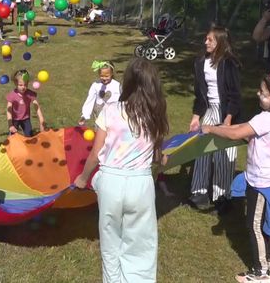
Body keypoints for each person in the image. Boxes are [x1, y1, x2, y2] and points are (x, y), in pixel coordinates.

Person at [74, 58, 169, 283]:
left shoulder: (111, 110)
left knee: (110, 241)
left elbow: (96, 153)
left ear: (127, 82)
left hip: (111, 184)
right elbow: (156, 155)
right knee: (141, 244)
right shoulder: (156, 114)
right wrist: (161, 158)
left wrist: (83, 177)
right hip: (140, 186)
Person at [202, 72, 270, 282]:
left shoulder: (265, 119)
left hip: (263, 183)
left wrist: (210, 129)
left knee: (254, 226)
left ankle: (261, 272)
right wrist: (224, 128)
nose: (257, 94)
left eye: (263, 93)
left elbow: (238, 134)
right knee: (267, 222)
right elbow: (243, 130)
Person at [188, 26, 242, 212]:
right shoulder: (200, 62)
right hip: (210, 110)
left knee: (224, 155)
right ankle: (199, 191)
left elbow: (235, 95)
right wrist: (196, 117)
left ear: (220, 42)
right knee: (202, 149)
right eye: (206, 39)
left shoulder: (229, 63)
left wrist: (228, 120)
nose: (206, 42)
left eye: (210, 40)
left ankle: (223, 196)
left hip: (226, 112)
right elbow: (199, 94)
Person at [78, 61, 121, 126]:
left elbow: (122, 101)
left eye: (106, 76)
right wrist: (85, 115)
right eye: (101, 76)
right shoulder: (95, 85)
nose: (104, 78)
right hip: (99, 117)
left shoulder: (117, 86)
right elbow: (90, 100)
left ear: (111, 73)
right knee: (99, 134)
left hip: (113, 118)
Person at [6, 69, 46, 137]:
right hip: (15, 119)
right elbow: (8, 110)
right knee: (13, 137)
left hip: (26, 119)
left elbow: (37, 106)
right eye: (20, 85)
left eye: (25, 84)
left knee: (29, 136)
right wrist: (10, 125)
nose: (23, 87)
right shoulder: (12, 95)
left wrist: (41, 120)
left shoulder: (30, 94)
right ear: (15, 83)